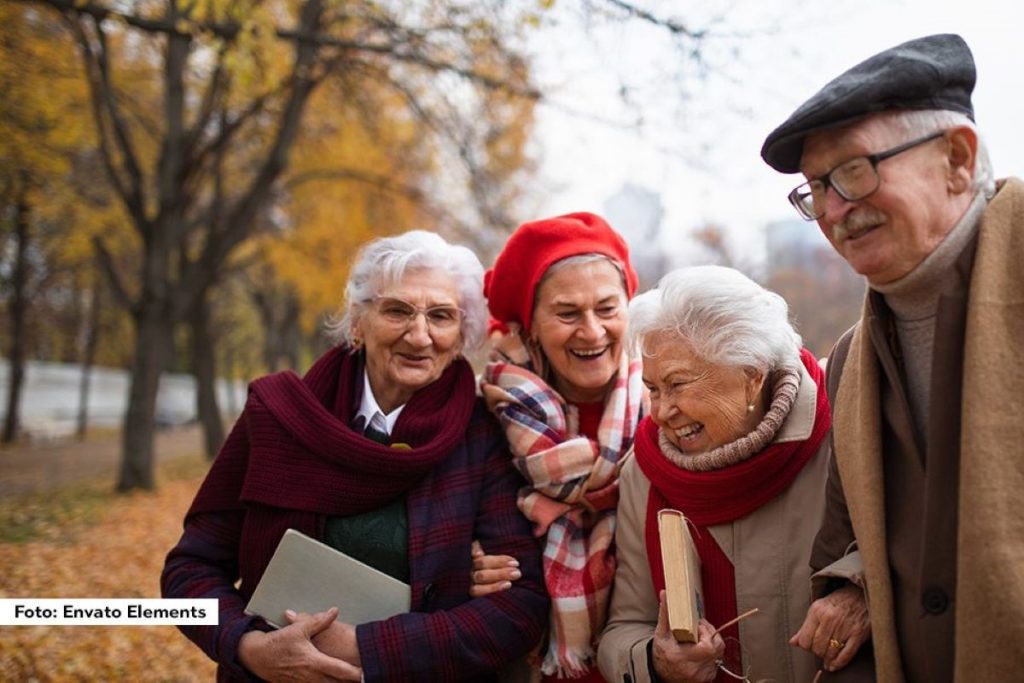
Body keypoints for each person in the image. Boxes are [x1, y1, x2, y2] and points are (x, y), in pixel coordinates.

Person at [161, 230, 549, 682]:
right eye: (398, 310)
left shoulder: (483, 435)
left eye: (441, 316)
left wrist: (368, 649)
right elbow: (192, 569)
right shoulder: (278, 415)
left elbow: (519, 607)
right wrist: (247, 646)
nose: (419, 336)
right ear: (358, 322)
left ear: (462, 334)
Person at [761, 33, 1023, 681]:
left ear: (958, 159)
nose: (834, 210)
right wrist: (856, 585)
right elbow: (845, 541)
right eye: (817, 188)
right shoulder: (851, 360)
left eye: (854, 170)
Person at [595, 265, 833, 683]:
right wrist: (657, 660)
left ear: (751, 376)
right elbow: (624, 628)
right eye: (652, 388)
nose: (661, 411)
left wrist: (859, 592)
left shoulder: (841, 430)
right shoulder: (643, 472)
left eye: (678, 384)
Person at [475, 212, 646, 681]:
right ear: (530, 327)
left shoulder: (671, 398)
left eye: (608, 309)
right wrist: (459, 561)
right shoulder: (485, 415)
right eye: (568, 313)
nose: (592, 332)